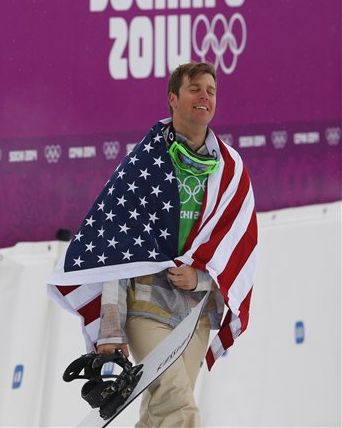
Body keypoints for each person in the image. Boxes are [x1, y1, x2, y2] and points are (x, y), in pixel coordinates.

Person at [48, 61, 257, 428]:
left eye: (211, 91)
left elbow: (237, 247)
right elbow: (111, 254)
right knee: (178, 408)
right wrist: (110, 330)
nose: (204, 97)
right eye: (195, 89)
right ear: (172, 99)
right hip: (145, 305)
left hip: (196, 312)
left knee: (159, 413)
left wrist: (202, 278)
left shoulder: (231, 170)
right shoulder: (142, 165)